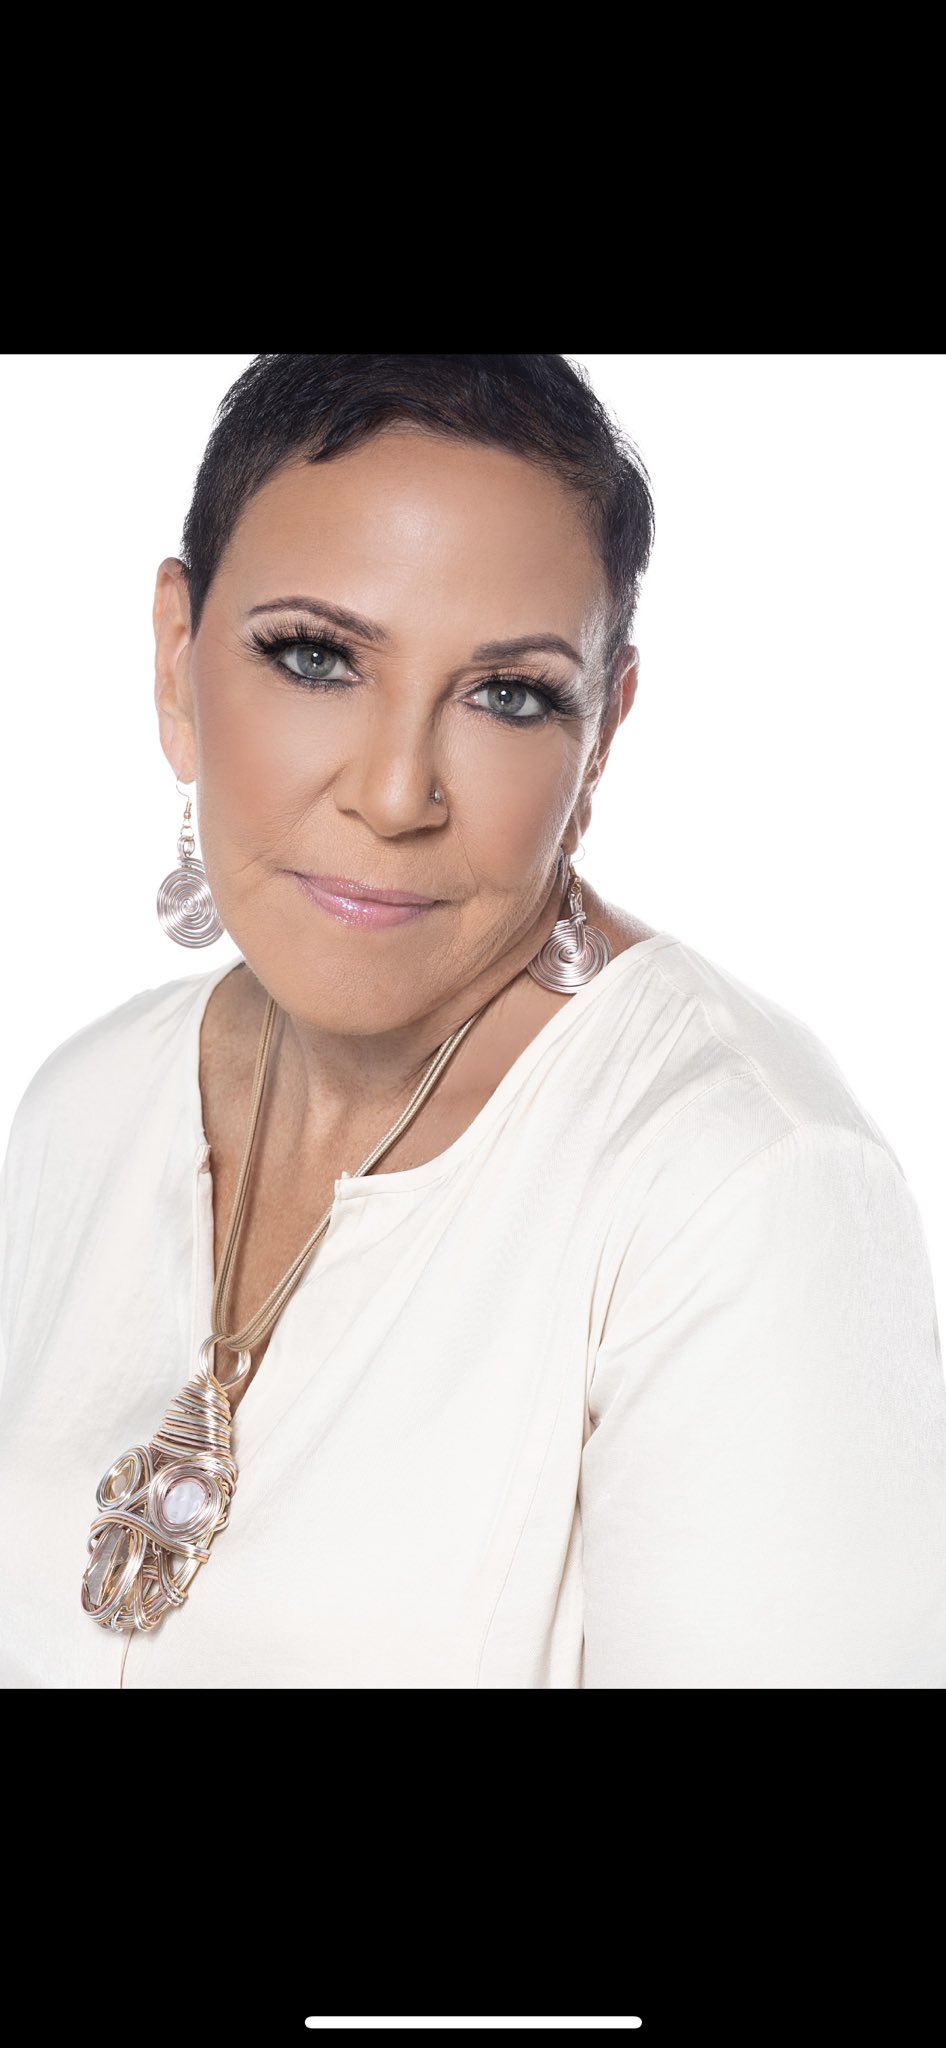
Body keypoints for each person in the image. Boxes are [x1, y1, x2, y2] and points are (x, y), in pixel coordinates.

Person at [1, 351, 944, 1691]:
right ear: (175, 660)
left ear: (599, 737)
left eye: (509, 695)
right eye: (316, 657)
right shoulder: (87, 1103)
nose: (396, 795)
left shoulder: (736, 1188)